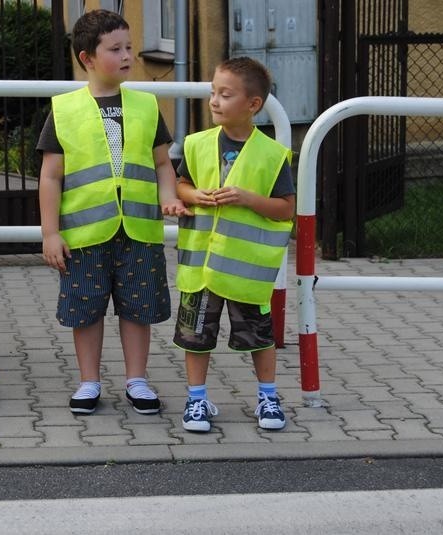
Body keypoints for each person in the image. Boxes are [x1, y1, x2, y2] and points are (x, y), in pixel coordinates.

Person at [38, 9, 188, 415]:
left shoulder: (146, 106)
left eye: (129, 48)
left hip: (138, 229)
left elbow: (161, 164)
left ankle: (136, 380)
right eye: (116, 48)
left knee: (138, 307)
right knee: (85, 308)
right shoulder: (64, 110)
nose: (126, 56)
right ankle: (89, 381)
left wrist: (168, 196)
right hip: (84, 233)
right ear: (87, 57)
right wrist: (50, 233)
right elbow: (51, 177)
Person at [173, 57, 296, 432]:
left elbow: (285, 209)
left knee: (260, 337)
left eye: (225, 95)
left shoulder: (272, 155)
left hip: (247, 272)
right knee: (195, 338)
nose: (214, 101)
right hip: (201, 270)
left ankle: (268, 397)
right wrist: (193, 195)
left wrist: (247, 197)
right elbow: (180, 185)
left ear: (253, 105)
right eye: (213, 92)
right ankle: (196, 401)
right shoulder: (195, 144)